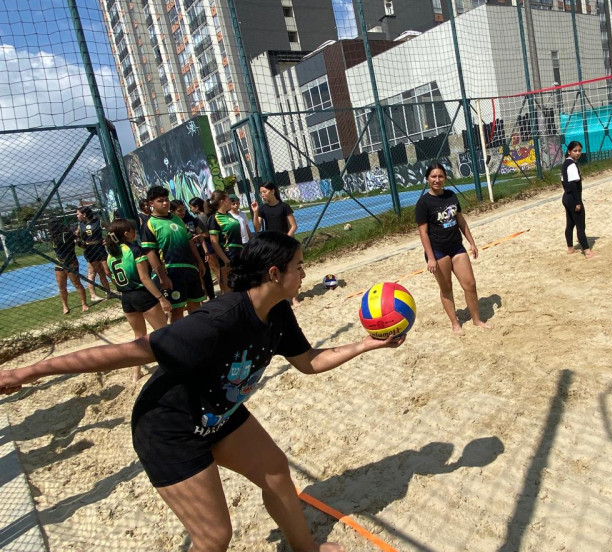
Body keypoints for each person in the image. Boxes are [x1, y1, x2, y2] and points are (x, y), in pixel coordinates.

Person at [0, 232, 405, 552]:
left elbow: (309, 361)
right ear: (274, 273)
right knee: (214, 538)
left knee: (277, 473)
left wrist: (368, 344)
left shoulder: (278, 311)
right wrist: (30, 371)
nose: (306, 273)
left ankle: (306, 550)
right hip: (169, 429)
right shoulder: (218, 319)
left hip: (219, 415)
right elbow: (118, 355)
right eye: (299, 266)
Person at [415, 163, 492, 335]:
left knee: (470, 284)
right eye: (433, 177)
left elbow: (461, 221)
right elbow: (423, 233)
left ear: (445, 178)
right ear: (427, 179)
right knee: (446, 288)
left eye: (440, 176)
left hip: (456, 247)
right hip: (437, 251)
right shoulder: (423, 203)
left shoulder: (451, 195)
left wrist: (471, 242)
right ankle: (455, 324)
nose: (437, 180)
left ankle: (476, 320)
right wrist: (431, 257)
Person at [105, 219, 172, 383]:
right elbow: (144, 278)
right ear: (126, 233)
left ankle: (136, 374)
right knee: (163, 333)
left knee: (138, 335)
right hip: (142, 295)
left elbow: (110, 274)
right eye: (133, 230)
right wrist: (161, 298)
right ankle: (170, 366)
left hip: (126, 298)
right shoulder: (135, 250)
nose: (135, 232)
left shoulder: (111, 253)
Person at [141, 185, 206, 322]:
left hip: (189, 269)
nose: (165, 203)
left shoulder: (177, 219)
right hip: (171, 273)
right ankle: (179, 341)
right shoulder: (150, 224)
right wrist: (162, 277)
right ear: (151, 203)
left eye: (166, 199)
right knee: (177, 311)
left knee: (196, 305)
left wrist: (199, 262)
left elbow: (190, 241)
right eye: (160, 200)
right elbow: (150, 253)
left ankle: (198, 336)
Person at [250, 183, 300, 305]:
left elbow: (293, 226)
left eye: (264, 191)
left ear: (272, 191)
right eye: (261, 192)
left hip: (284, 243)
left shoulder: (284, 206)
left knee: (290, 269)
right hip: (271, 245)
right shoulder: (263, 208)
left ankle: (294, 297)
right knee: (274, 272)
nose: (262, 194)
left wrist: (286, 239)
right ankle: (280, 297)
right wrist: (255, 212)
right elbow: (257, 228)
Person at [173, 199, 215, 301]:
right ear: (172, 211)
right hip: (186, 254)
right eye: (179, 210)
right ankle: (199, 298)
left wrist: (206, 251)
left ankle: (212, 297)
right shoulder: (173, 224)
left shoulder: (191, 220)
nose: (182, 212)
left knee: (206, 274)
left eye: (183, 209)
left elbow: (201, 236)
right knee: (195, 278)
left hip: (199, 250)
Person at [561, 141, 596, 259]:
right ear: (569, 151)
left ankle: (570, 248)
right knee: (580, 225)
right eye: (575, 151)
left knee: (570, 223)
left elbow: (563, 182)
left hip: (566, 197)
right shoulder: (571, 165)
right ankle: (587, 252)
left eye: (579, 151)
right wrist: (577, 202)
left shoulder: (565, 163)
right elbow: (573, 185)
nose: (578, 153)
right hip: (572, 198)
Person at [49, 217, 89, 314]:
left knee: (77, 284)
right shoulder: (54, 237)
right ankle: (65, 306)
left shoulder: (66, 234)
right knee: (61, 286)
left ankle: (84, 304)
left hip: (71, 262)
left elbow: (78, 244)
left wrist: (75, 236)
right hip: (59, 262)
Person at [207, 191, 242, 294]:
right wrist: (226, 260)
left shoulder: (229, 216)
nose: (231, 201)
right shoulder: (214, 218)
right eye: (228, 199)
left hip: (239, 253)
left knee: (241, 285)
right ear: (222, 201)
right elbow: (214, 242)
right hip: (228, 255)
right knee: (229, 288)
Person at [75, 205, 112, 301]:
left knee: (107, 271)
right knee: (94, 273)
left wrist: (108, 239)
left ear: (84, 214)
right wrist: (78, 242)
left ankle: (109, 292)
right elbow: (76, 235)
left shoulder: (98, 222)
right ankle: (93, 295)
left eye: (78, 214)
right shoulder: (80, 225)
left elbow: (110, 228)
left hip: (100, 248)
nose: (77, 216)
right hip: (89, 250)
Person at [190, 196, 222, 289]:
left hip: (209, 245)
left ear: (196, 207)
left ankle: (223, 289)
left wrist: (198, 236)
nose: (190, 209)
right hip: (214, 244)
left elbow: (207, 233)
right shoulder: (208, 215)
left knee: (216, 269)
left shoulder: (201, 217)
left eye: (191, 207)